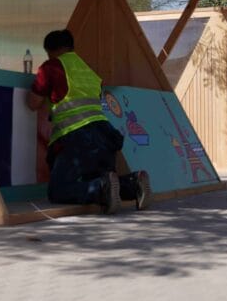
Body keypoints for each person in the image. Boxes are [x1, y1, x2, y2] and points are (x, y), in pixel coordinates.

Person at [27, 29, 151, 214]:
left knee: (58, 191)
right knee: (105, 179)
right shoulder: (89, 71)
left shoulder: (51, 67)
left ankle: (101, 187)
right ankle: (133, 184)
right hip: (105, 135)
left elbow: (32, 103)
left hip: (76, 136)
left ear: (51, 50)